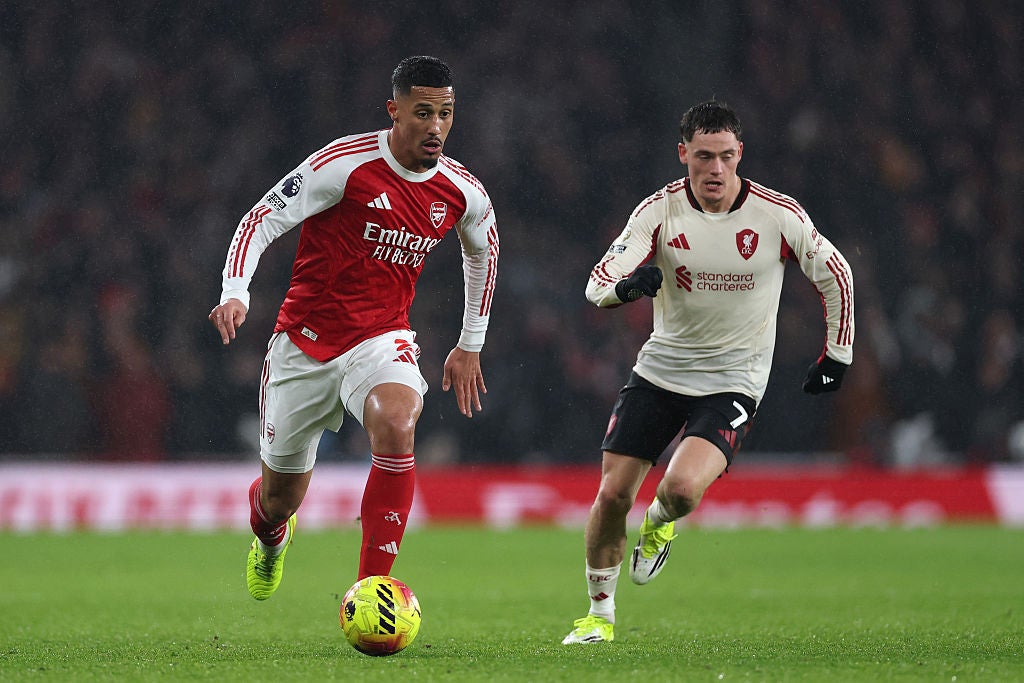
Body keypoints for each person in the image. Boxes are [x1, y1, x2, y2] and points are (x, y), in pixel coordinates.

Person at [561, 100, 854, 644]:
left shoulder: (776, 215)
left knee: (680, 489)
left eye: (724, 156)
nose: (714, 169)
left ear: (740, 153)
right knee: (612, 495)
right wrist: (622, 290)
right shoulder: (659, 211)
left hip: (734, 380)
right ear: (683, 155)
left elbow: (835, 272)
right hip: (659, 371)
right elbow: (601, 276)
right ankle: (598, 617)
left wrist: (837, 354)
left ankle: (661, 524)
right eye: (702, 157)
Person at [209, 56, 499, 601]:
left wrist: (469, 343)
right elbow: (261, 218)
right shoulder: (345, 165)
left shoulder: (464, 192)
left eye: (445, 113)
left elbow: (485, 253)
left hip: (380, 339)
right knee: (279, 499)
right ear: (395, 111)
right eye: (422, 113)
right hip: (304, 343)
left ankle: (373, 587)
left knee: (396, 420)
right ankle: (271, 537)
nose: (435, 126)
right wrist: (235, 291)